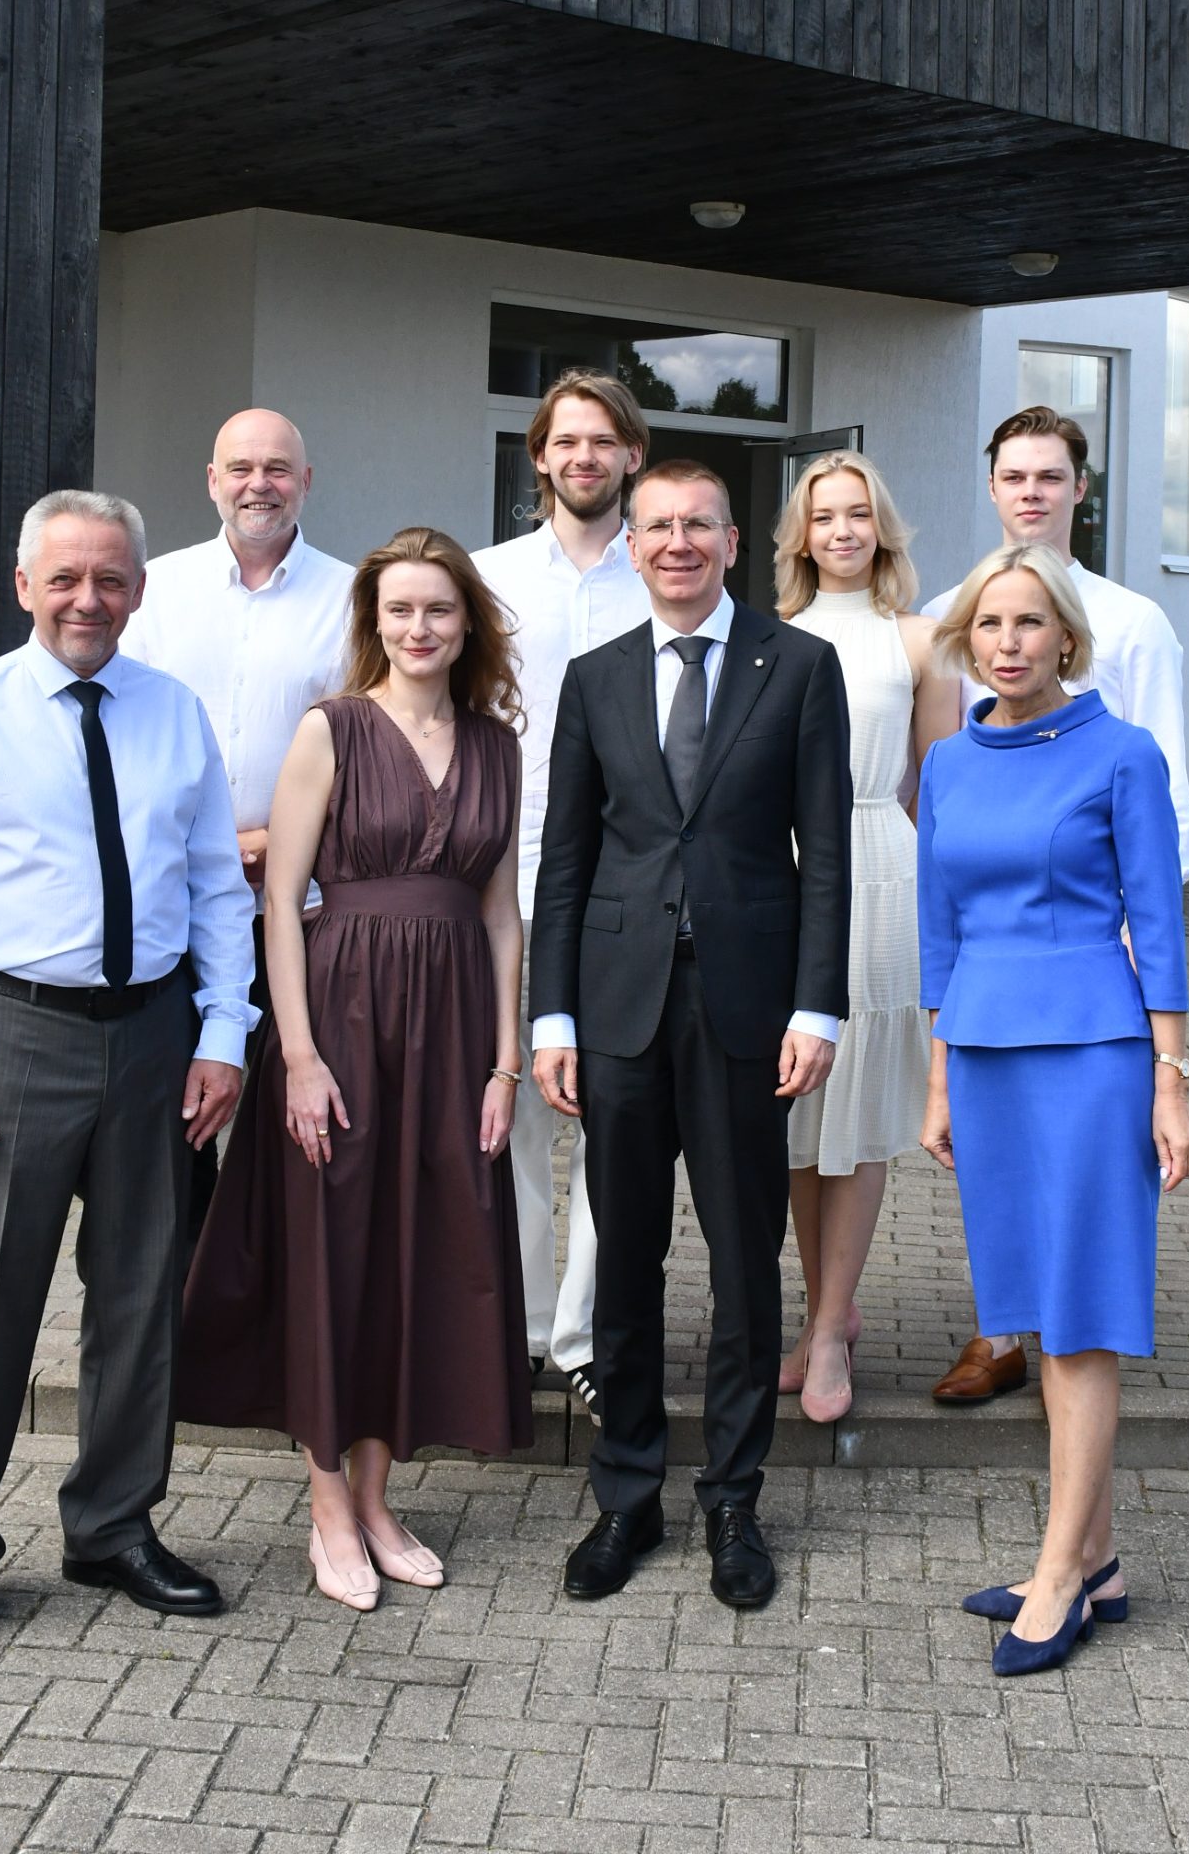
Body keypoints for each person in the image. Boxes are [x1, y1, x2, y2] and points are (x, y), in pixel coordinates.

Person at [0, 490, 257, 1672]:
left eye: (111, 578)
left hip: (155, 1041)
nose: (89, 599)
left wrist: (224, 1034)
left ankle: (112, 1526)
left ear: (139, 588)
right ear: (24, 585)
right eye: (66, 578)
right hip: (10, 1038)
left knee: (142, 1298)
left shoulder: (175, 712)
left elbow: (216, 885)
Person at [177, 528, 531, 1611]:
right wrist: (295, 1055)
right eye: (399, 610)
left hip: (455, 1028)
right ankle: (327, 1504)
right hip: (343, 1018)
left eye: (439, 609)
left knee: (419, 1256)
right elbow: (281, 902)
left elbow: (501, 914)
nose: (419, 628)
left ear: (468, 622)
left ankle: (377, 1502)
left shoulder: (499, 743)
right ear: (374, 621)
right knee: (334, 1254)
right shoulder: (329, 729)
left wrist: (505, 1064)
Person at [531, 462, 851, 1611]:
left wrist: (817, 1006)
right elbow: (566, 859)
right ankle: (627, 1494)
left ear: (731, 538)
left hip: (748, 1010)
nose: (677, 541)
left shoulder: (797, 665)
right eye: (657, 524)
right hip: (618, 1009)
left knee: (743, 1266)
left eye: (698, 524)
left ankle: (732, 1499)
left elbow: (827, 851)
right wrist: (552, 1014)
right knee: (623, 1258)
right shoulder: (594, 676)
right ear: (633, 545)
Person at [918, 544, 1189, 1674]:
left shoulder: (1121, 753)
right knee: (1035, 1308)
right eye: (990, 623)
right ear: (966, 638)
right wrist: (938, 1074)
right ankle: (1099, 1558)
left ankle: (1057, 1576)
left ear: (1067, 638)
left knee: (1080, 1315)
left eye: (1030, 622)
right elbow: (939, 928)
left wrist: (1171, 1078)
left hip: (1093, 1054)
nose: (1008, 642)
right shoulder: (949, 761)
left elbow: (1158, 924)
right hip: (984, 1054)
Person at [922, 403, 1189, 1406]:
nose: (1031, 491)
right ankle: (1000, 1333)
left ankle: (1067, 1360)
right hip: (993, 981)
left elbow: (1162, 819)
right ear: (992, 487)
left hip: (1090, 966)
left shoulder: (1134, 623)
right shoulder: (955, 611)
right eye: (1014, 475)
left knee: (1084, 1235)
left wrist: (1111, 971)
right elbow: (955, 826)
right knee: (1004, 1207)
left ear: (1080, 489)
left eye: (1050, 475)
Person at [123, 407, 353, 1249]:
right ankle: (177, 1301)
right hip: (170, 909)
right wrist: (216, 850)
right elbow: (119, 733)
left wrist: (277, 847)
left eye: (278, 468)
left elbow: (365, 750)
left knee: (294, 1123)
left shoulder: (353, 597)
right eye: (242, 468)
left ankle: (282, 1301)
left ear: (306, 482)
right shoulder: (154, 590)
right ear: (212, 481)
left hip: (300, 913)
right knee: (172, 1128)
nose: (261, 484)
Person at [473, 369, 651, 1418]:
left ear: (632, 454)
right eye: (566, 440)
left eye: (603, 440)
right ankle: (522, 1326)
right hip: (504, 874)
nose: (584, 456)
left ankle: (584, 1333)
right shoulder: (487, 579)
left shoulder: (665, 574)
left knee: (611, 1111)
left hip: (628, 884)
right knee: (509, 1105)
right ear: (538, 455)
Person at [770, 452, 959, 1423]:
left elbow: (938, 786)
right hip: (784, 870)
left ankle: (830, 1324)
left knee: (860, 1106)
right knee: (802, 1111)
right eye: (823, 515)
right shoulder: (768, 636)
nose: (841, 529)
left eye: (857, 513)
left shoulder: (919, 640)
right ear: (799, 536)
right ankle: (823, 1317)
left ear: (881, 527)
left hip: (881, 866)